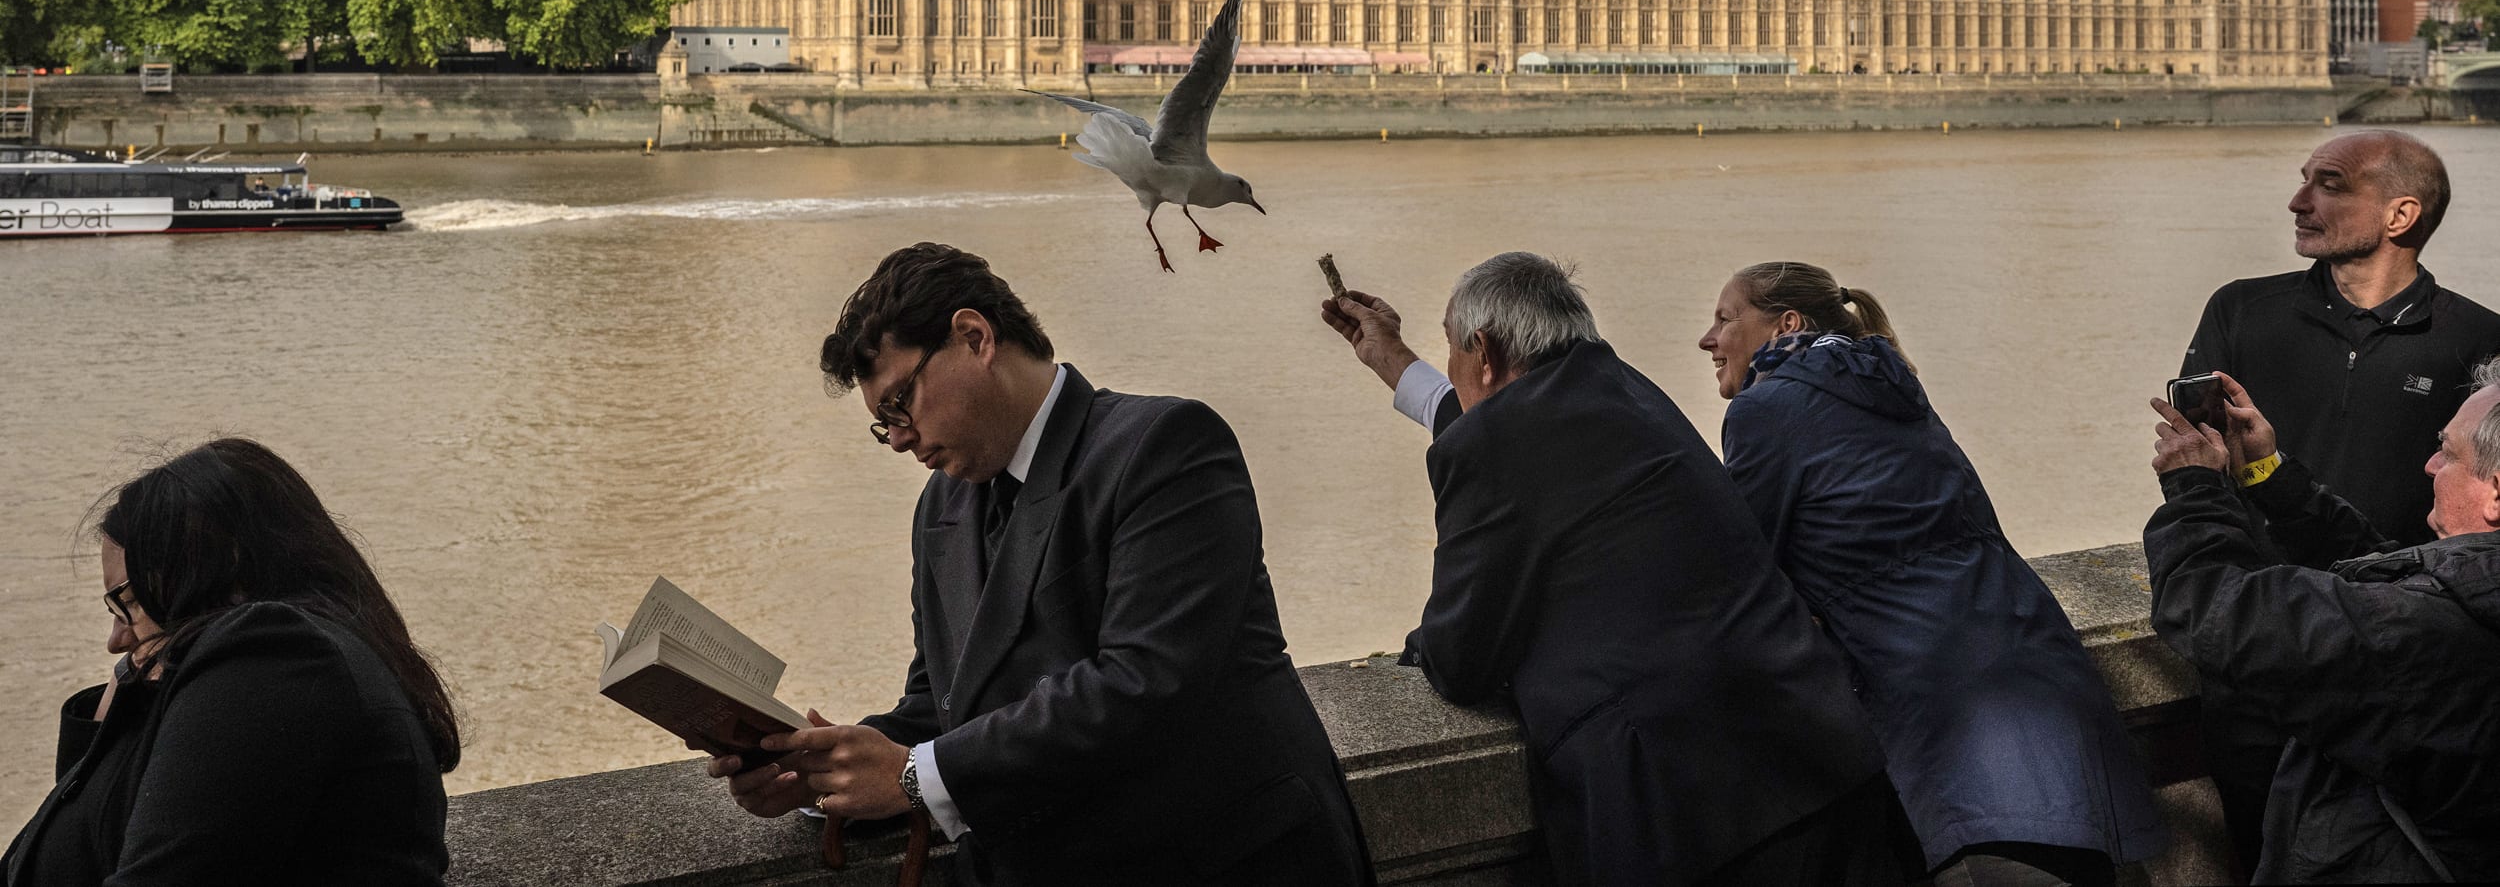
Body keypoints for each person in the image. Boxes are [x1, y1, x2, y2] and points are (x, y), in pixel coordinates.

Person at [704, 242, 1369, 886]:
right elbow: (942, 707)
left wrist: (912, 775)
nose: (899, 438)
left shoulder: (1167, 446)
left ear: (974, 337)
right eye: (884, 423)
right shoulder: (939, 507)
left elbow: (1143, 683)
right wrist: (816, 772)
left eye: (900, 402)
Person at [1327, 252, 1901, 887]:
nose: (1456, 370)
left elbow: (1463, 656)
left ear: (1482, 352)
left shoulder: (1496, 443)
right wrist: (1392, 359)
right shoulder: (1626, 388)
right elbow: (1494, 420)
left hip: (1689, 809)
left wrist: (1424, 646)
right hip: (1820, 753)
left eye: (1453, 351)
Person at [1699, 262, 2165, 887]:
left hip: (1947, 716)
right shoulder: (1895, 391)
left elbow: (1738, 573)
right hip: (2045, 685)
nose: (1709, 339)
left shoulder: (1767, 408)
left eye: (1725, 320)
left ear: (1787, 324)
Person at [2177, 128, 2500, 868]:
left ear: (2400, 215)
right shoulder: (2241, 311)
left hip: (2407, 672)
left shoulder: (2480, 340)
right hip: (2261, 658)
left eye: (2328, 183)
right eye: (2304, 179)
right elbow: (2198, 456)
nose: (2298, 200)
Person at [2, 438, 459, 886]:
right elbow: (99, 828)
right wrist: (121, 696)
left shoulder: (276, 655)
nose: (117, 638)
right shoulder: (279, 663)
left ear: (221, 567)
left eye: (130, 601)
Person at [2144, 362, 2500, 883]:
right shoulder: (2463, 602)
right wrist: (2269, 476)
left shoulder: (2426, 634)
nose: (2429, 464)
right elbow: (2386, 578)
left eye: (2448, 452)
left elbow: (2212, 609)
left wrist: (2195, 488)